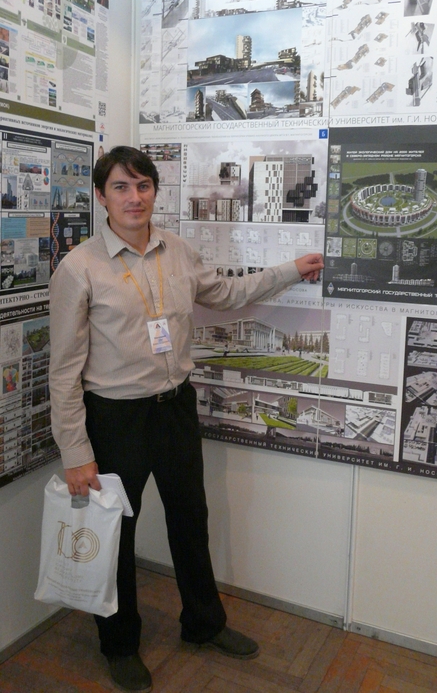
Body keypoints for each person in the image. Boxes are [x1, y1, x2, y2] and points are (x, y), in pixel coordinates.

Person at [49, 145, 324, 693]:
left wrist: (290, 271)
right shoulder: (78, 268)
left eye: (143, 186)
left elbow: (226, 293)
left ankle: (203, 624)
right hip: (115, 418)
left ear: (155, 191)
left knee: (190, 521)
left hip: (175, 407)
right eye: (121, 187)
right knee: (114, 535)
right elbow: (63, 372)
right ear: (101, 196)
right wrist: (76, 452)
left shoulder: (176, 250)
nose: (134, 197)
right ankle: (119, 644)